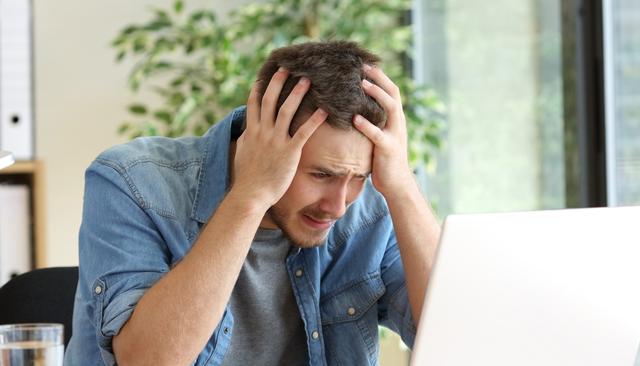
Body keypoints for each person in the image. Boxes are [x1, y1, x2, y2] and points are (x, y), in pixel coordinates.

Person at [64, 41, 440, 366]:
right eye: (321, 175)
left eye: (358, 177)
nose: (338, 206)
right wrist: (251, 194)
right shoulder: (132, 182)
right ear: (260, 140)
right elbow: (147, 360)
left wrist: (402, 186)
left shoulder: (370, 209)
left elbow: (462, 340)